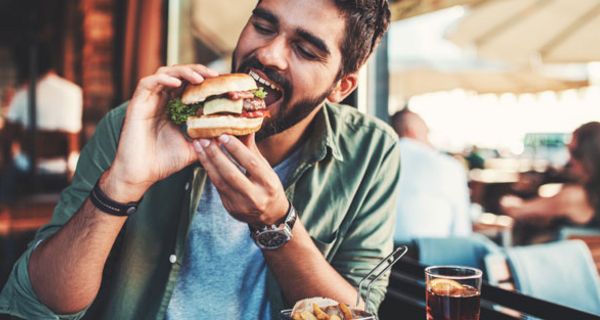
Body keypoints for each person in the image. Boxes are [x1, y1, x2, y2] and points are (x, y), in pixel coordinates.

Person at [0, 1, 400, 319]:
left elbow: (359, 313)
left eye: (306, 50)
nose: (269, 54)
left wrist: (276, 222)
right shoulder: (136, 124)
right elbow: (35, 306)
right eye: (263, 26)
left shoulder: (371, 153)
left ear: (342, 86)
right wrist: (121, 185)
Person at [0, 43, 82, 203]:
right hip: (66, 167)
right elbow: (74, 133)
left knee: (6, 174)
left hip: (30, 168)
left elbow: (6, 136)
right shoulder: (74, 92)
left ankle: (6, 211)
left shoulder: (23, 94)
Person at [391, 108, 472, 244]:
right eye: (427, 131)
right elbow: (461, 229)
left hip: (383, 255)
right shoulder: (447, 165)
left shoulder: (376, 160)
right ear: (412, 130)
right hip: (428, 253)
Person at [500, 122, 600, 228]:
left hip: (563, 244)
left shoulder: (574, 197)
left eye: (574, 152)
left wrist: (509, 202)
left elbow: (518, 211)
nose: (569, 159)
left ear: (589, 155)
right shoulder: (585, 196)